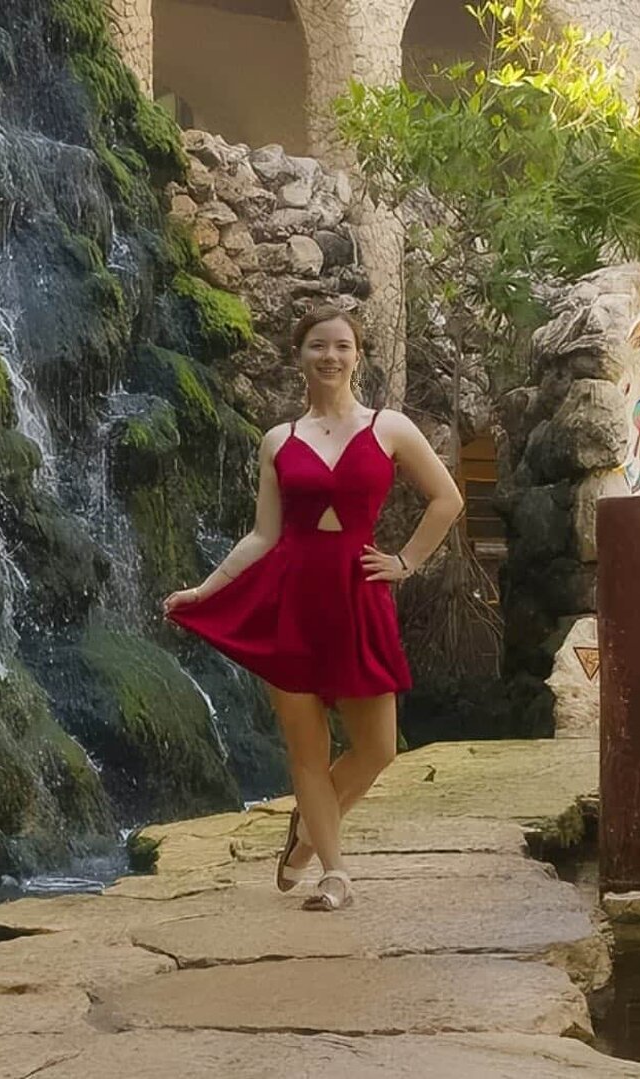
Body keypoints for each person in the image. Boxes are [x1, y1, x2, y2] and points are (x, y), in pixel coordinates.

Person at [163, 306, 464, 912]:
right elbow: (263, 535)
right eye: (317, 346)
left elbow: (447, 498)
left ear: (358, 356)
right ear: (298, 356)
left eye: (342, 346)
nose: (330, 356)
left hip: (358, 595)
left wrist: (405, 562)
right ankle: (334, 873)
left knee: (379, 749)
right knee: (308, 753)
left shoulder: (389, 427)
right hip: (292, 599)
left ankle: (306, 828)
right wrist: (205, 590)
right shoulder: (279, 441)